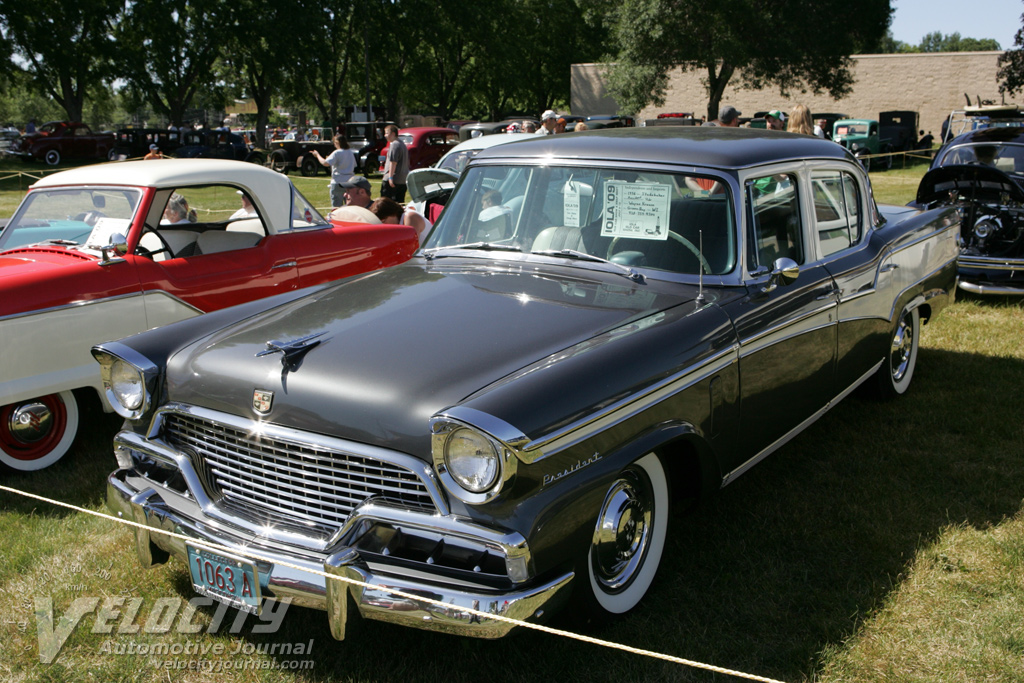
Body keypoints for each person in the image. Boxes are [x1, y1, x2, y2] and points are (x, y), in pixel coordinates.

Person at [312, 134, 357, 208]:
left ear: (338, 143)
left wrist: (317, 155)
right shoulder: (350, 152)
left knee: (336, 208)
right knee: (349, 207)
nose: (334, 145)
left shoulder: (337, 152)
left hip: (338, 182)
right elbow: (353, 165)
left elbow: (325, 163)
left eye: (335, 143)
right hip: (349, 182)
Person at [381, 125, 409, 203]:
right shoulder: (402, 144)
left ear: (393, 134)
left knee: (385, 204)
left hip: (393, 180)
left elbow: (393, 162)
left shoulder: (394, 144)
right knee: (399, 204)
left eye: (386, 133)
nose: (385, 135)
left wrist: (390, 178)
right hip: (402, 180)